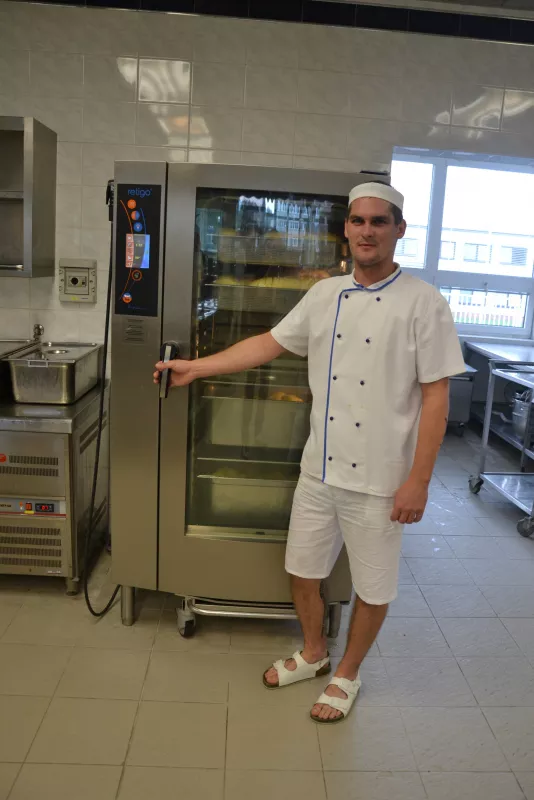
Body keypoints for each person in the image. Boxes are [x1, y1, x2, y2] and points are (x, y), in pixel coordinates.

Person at [153, 182, 465, 724]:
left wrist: (419, 480)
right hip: (319, 469)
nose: (367, 231)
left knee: (373, 586)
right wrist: (195, 368)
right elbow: (267, 344)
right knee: (302, 568)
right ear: (346, 229)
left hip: (381, 477)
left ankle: (347, 674)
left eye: (379, 222)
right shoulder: (325, 295)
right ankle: (314, 652)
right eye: (358, 221)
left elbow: (437, 396)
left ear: (398, 230)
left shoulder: (424, 302)